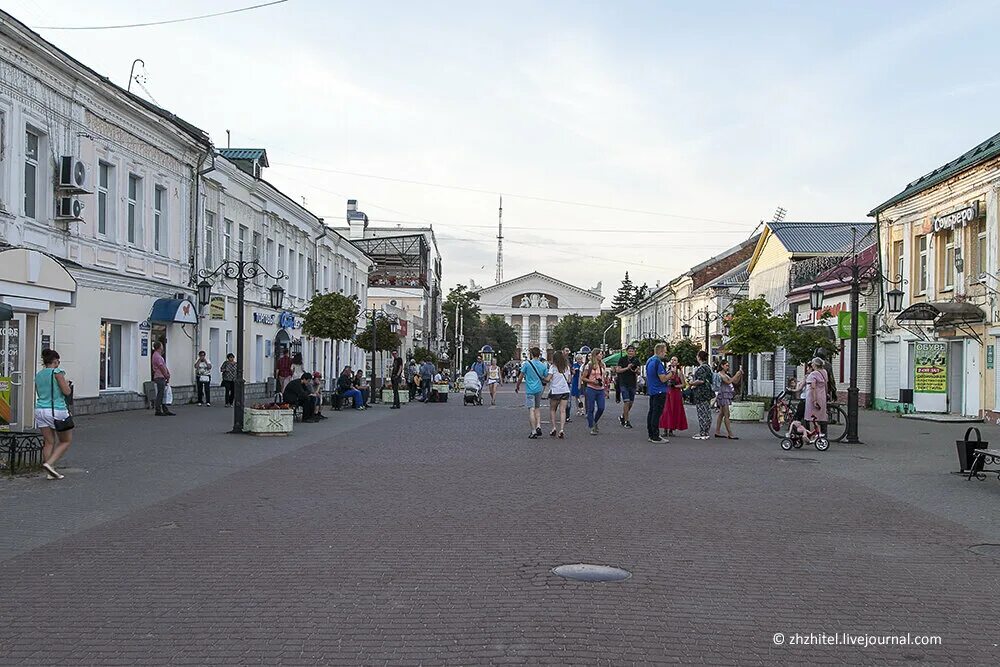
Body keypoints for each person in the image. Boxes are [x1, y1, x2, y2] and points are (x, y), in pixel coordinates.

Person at [35, 348, 74, 480]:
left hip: (40, 409)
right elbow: (66, 392)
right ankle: (49, 464)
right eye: (58, 361)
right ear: (55, 361)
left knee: (49, 442)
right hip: (56, 410)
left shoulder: (39, 374)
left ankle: (49, 472)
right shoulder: (57, 372)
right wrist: (67, 384)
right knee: (65, 441)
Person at [514, 347, 548, 439]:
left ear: (531, 354)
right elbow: (546, 377)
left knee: (531, 409)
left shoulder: (527, 364)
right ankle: (538, 426)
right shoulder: (543, 365)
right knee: (537, 408)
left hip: (530, 390)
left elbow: (520, 377)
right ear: (539, 354)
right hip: (539, 389)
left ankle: (533, 431)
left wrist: (517, 386)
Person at [645, 343, 669, 443]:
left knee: (651, 412)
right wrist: (671, 374)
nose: (666, 353)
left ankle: (651, 434)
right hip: (659, 390)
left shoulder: (649, 361)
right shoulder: (657, 362)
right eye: (665, 351)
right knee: (657, 413)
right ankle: (655, 436)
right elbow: (663, 379)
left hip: (652, 390)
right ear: (660, 351)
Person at [713, 360, 744, 439]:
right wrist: (736, 374)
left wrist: (739, 375)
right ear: (722, 366)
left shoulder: (726, 374)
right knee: (727, 414)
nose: (728, 367)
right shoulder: (720, 375)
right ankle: (730, 434)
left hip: (726, 394)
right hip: (723, 395)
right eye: (726, 365)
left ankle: (717, 431)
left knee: (721, 414)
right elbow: (728, 382)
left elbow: (734, 382)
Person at [581, 349, 608, 436]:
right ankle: (592, 426)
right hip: (591, 388)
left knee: (601, 408)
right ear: (595, 355)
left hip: (600, 389)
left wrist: (606, 389)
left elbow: (604, 378)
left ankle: (595, 421)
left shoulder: (602, 364)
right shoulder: (589, 365)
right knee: (591, 409)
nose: (601, 356)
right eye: (600, 354)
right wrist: (592, 381)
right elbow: (583, 377)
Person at [660, 356, 688, 437]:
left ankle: (671, 429)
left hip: (675, 394)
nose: (672, 361)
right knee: (666, 411)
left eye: (675, 360)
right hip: (667, 393)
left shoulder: (679, 372)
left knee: (674, 410)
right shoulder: (667, 371)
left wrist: (675, 386)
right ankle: (665, 429)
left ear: (677, 363)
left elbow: (683, 384)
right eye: (671, 359)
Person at [689, 350, 715, 439]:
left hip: (701, 393)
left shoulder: (701, 368)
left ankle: (702, 432)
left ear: (699, 357)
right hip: (707, 392)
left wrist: (692, 383)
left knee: (702, 412)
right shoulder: (708, 367)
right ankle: (706, 431)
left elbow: (701, 380)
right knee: (707, 412)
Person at [546, 350, 571, 439]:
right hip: (565, 390)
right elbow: (569, 380)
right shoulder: (567, 367)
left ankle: (553, 428)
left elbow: (548, 379)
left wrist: (544, 379)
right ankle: (562, 429)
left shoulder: (553, 367)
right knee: (563, 410)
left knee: (553, 409)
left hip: (555, 391)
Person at [616, 345, 641, 429]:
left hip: (632, 383)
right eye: (629, 351)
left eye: (632, 351)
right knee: (626, 402)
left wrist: (636, 371)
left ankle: (623, 416)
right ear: (627, 352)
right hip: (623, 383)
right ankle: (626, 421)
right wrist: (627, 368)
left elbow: (638, 372)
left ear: (634, 352)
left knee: (631, 403)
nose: (631, 353)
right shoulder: (622, 359)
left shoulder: (636, 360)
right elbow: (618, 370)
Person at [806, 357, 829, 434]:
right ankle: (823, 435)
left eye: (812, 363)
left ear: (815, 364)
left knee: (812, 418)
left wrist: (814, 400)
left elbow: (813, 387)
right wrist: (826, 394)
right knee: (821, 417)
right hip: (822, 396)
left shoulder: (813, 374)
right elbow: (826, 384)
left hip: (813, 397)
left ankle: (814, 435)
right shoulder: (824, 372)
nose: (811, 364)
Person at [151, 341, 174, 416]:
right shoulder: (157, 356)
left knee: (163, 394)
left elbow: (163, 366)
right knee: (160, 394)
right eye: (162, 345)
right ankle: (158, 410)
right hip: (159, 376)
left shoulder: (158, 355)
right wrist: (166, 374)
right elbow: (161, 367)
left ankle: (164, 409)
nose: (163, 347)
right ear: (159, 347)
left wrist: (167, 373)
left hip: (161, 376)